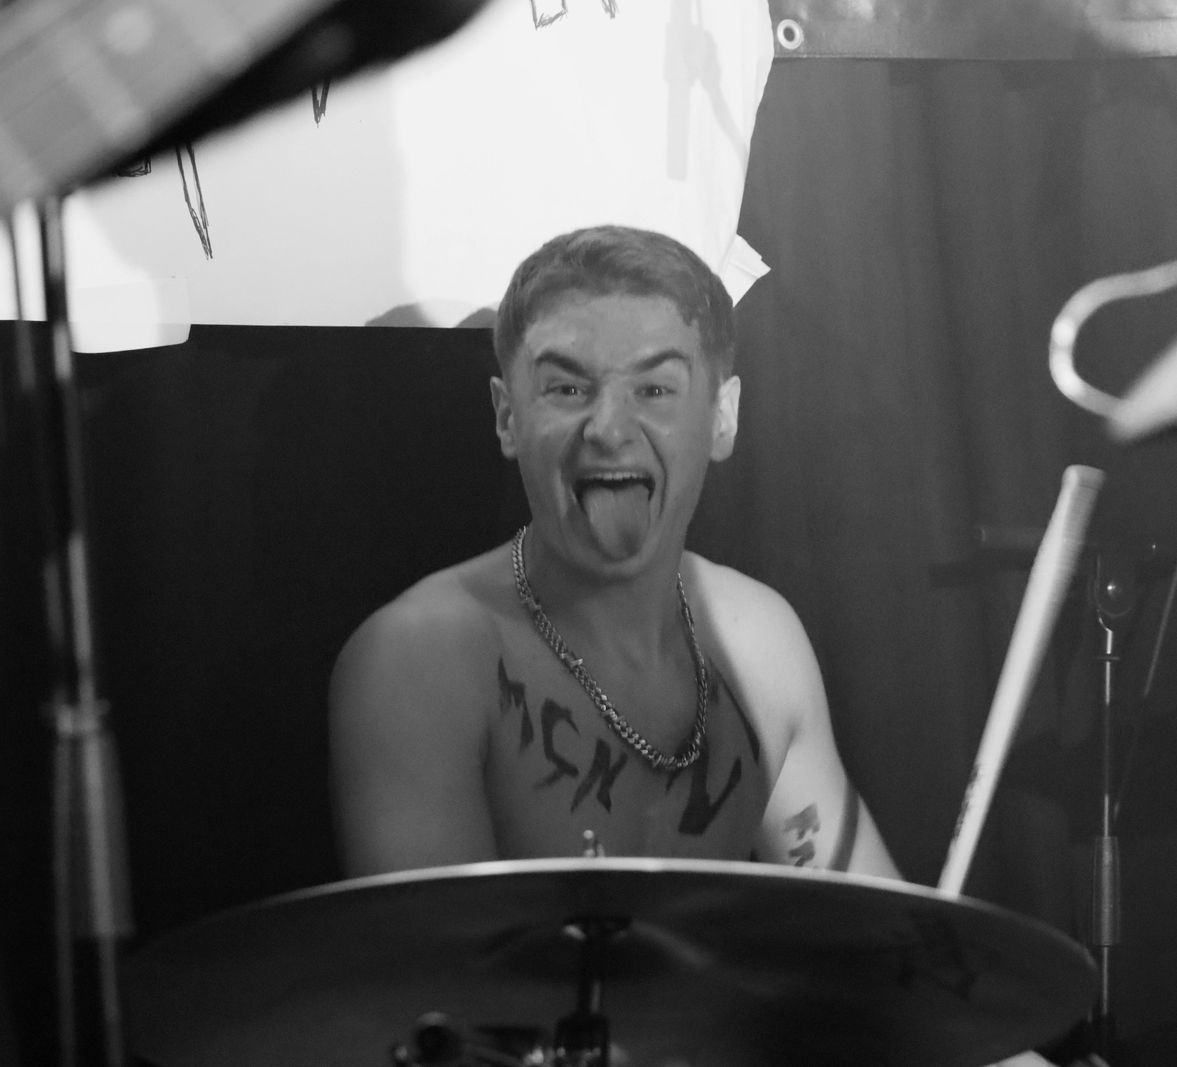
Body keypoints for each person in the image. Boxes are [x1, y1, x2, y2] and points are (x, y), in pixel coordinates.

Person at [329, 225, 900, 881]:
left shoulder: (759, 643)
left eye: (654, 389)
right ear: (508, 418)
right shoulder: (419, 662)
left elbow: (881, 931)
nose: (607, 428)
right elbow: (442, 947)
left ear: (722, 416)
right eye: (567, 389)